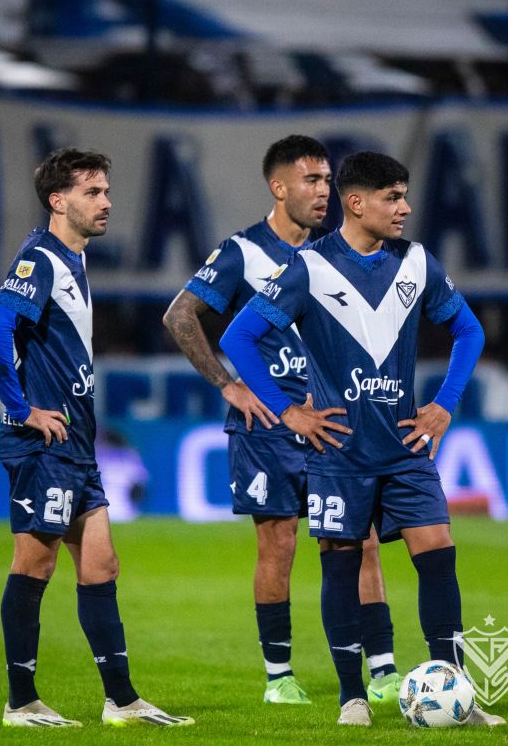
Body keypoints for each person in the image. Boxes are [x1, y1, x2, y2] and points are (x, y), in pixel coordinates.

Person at [219, 150, 507, 727]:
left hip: (405, 449)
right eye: (392, 197)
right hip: (339, 453)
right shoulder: (308, 268)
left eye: (404, 196)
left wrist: (444, 405)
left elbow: (469, 330)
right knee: (341, 568)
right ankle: (352, 697)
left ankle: (456, 694)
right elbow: (238, 336)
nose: (405, 208)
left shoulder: (416, 262)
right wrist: (288, 411)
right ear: (356, 203)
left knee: (439, 557)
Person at [163, 136, 402, 706]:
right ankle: (279, 678)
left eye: (326, 181)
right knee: (279, 545)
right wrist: (227, 383)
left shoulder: (334, 254)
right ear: (279, 187)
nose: (324, 192)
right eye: (311, 181)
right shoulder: (242, 252)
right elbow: (180, 315)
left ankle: (383, 671)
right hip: (269, 428)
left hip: (333, 423)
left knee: (361, 541)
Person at [0, 148, 193, 729]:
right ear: (58, 200)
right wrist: (21, 409)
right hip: (43, 445)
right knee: (35, 564)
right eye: (92, 192)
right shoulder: (41, 259)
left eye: (106, 191)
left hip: (75, 445)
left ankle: (121, 702)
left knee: (101, 564)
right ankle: (20, 702)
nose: (107, 202)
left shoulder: (72, 258)